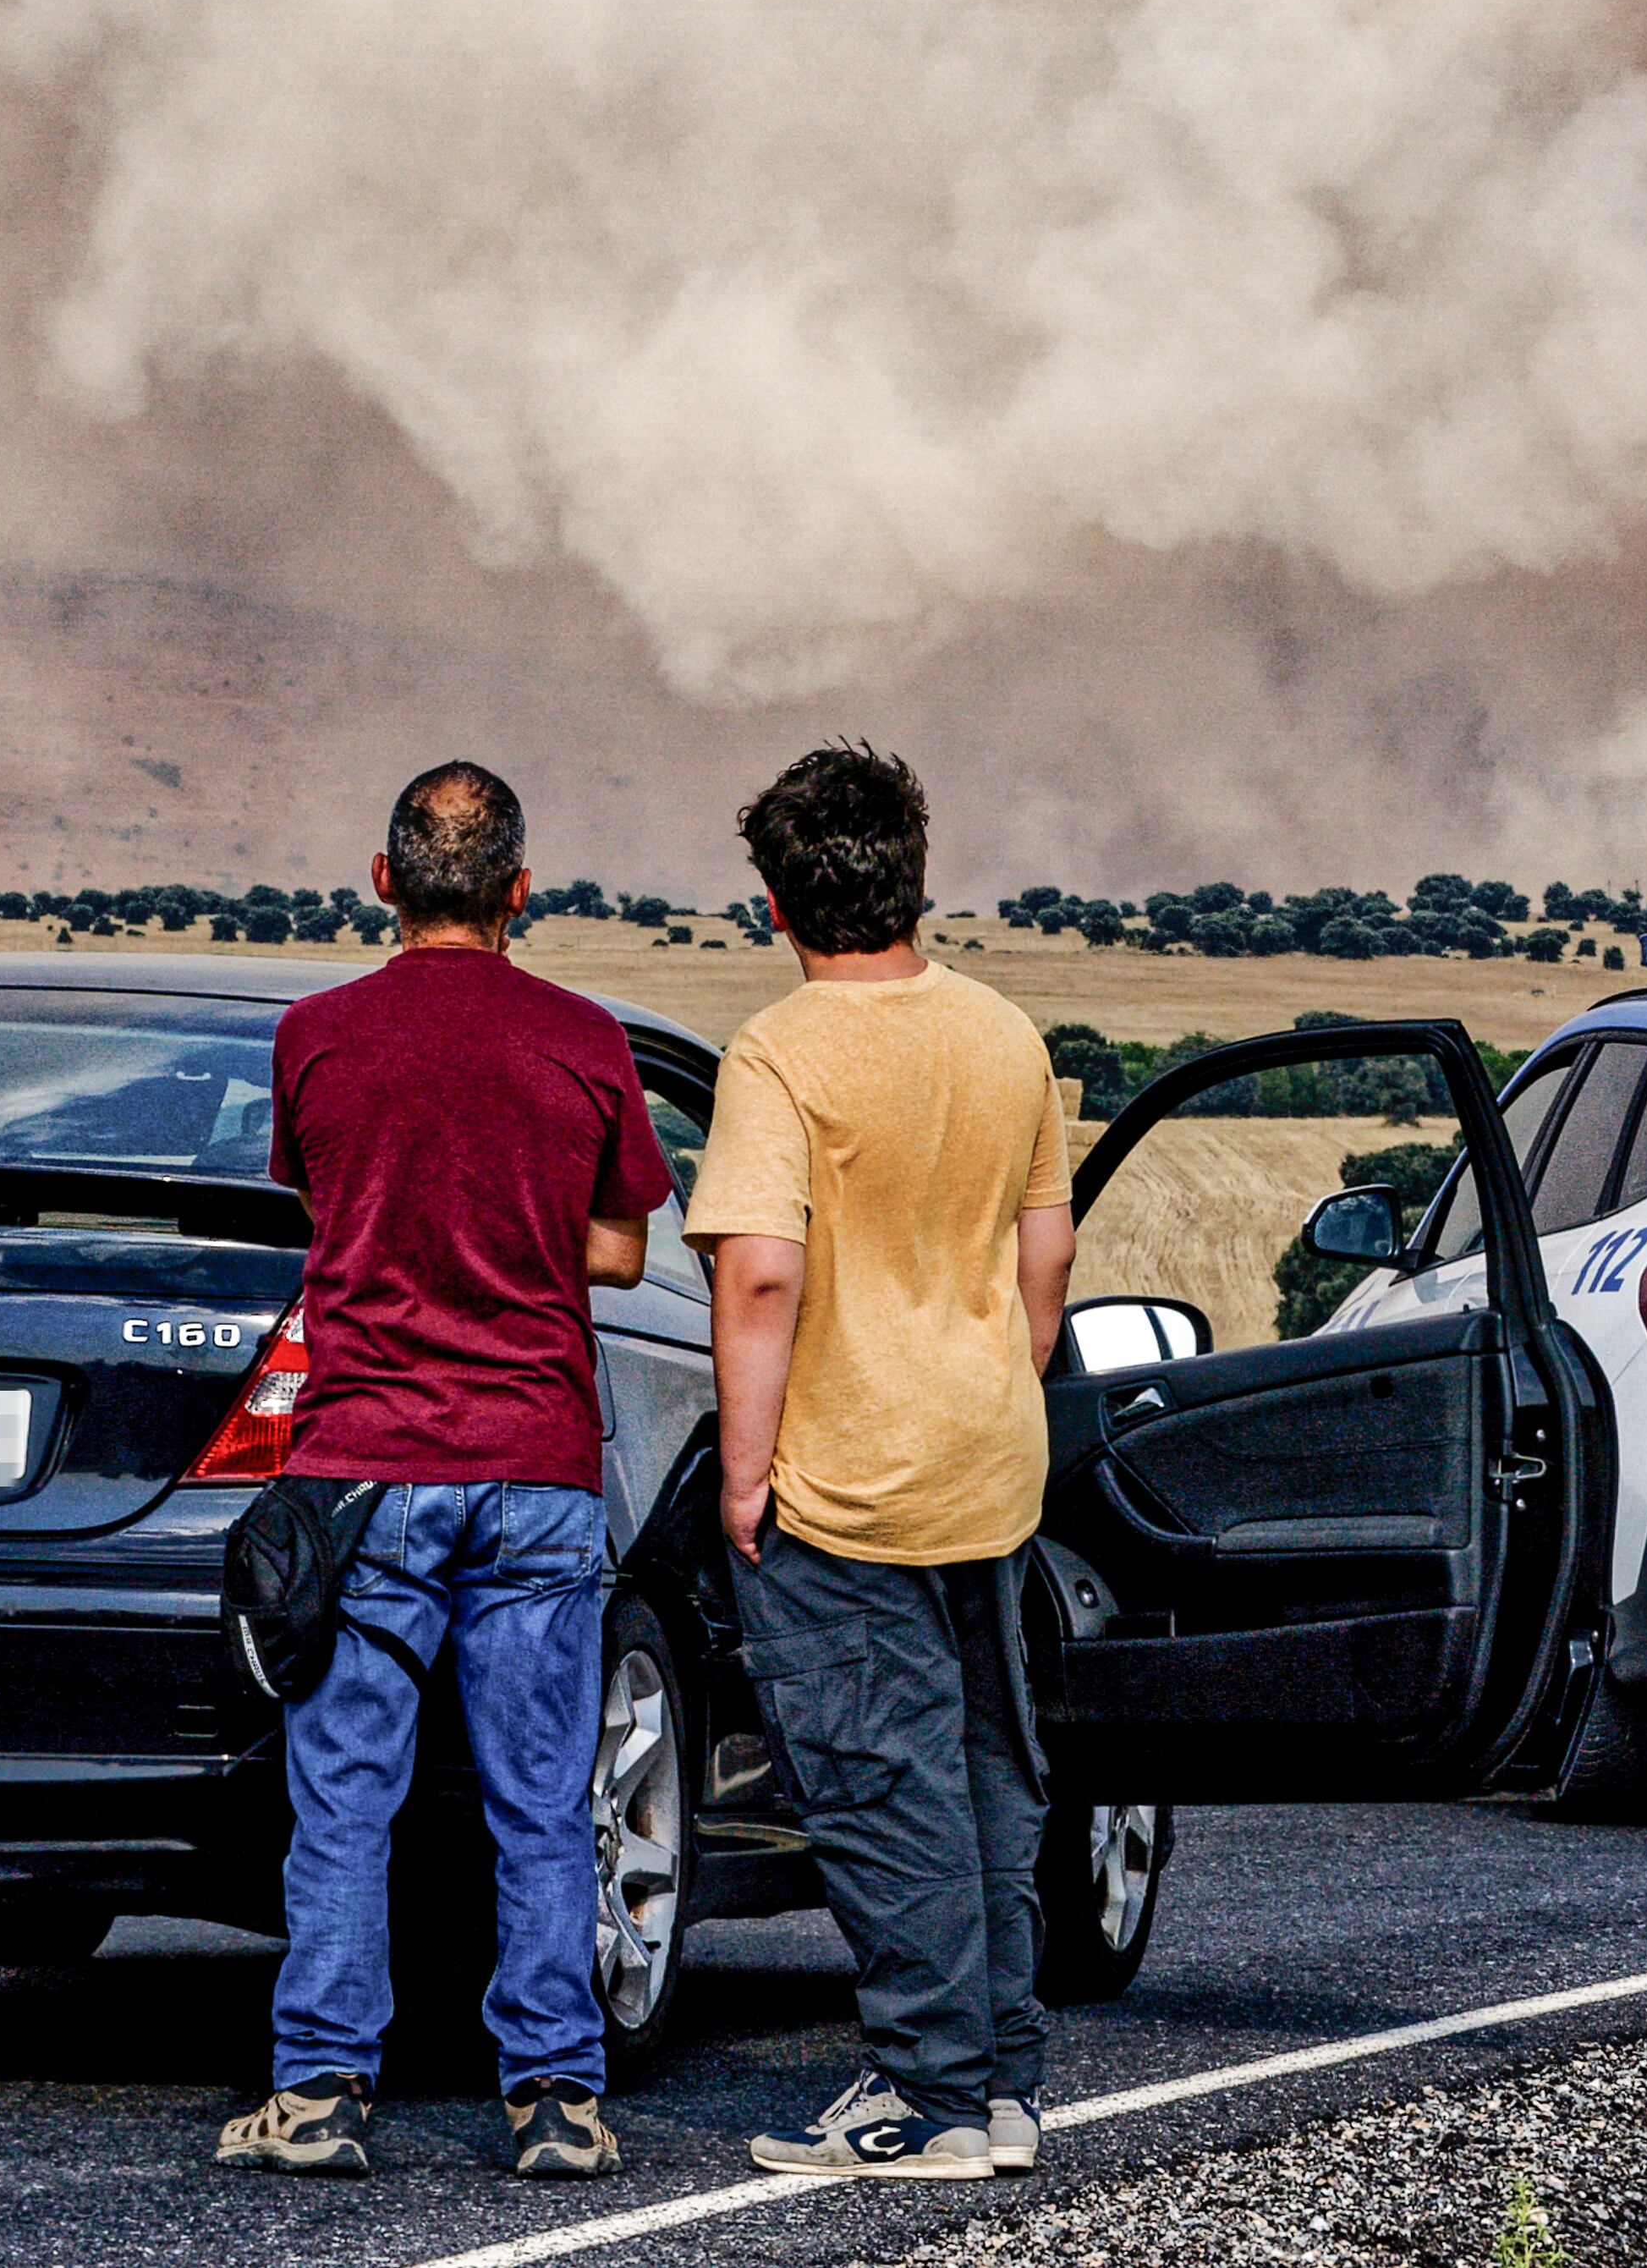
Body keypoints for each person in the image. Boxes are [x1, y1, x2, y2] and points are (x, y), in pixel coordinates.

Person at [213, 762, 672, 2184]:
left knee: (343, 1799)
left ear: (381, 879)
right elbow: (624, 1248)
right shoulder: (586, 1039)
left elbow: (332, 1201)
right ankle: (556, 2098)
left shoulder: (317, 1037)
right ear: (522, 889)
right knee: (542, 1799)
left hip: (363, 1468)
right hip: (535, 1462)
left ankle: (319, 2093)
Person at [684, 743, 1076, 2183]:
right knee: (987, 1773)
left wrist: (743, 1471)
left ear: (778, 901)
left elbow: (762, 1281)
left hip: (846, 1479)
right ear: (914, 877)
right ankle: (1003, 2078)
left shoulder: (779, 1052)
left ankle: (928, 2097)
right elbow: (1049, 1258)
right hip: (989, 1461)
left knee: (873, 1776)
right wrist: (996, 1372)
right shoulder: (1006, 1034)